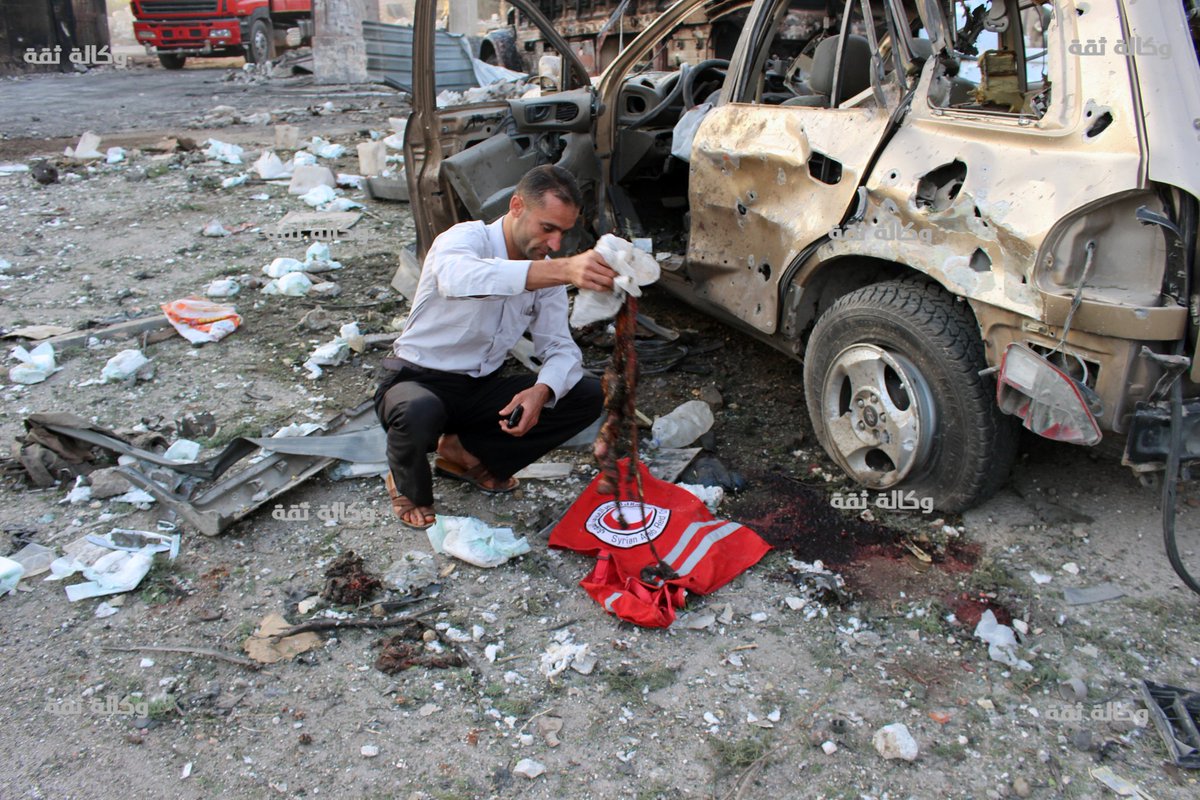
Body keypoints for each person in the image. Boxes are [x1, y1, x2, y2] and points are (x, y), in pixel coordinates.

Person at [374, 165, 617, 529]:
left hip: (478, 388)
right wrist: (563, 269)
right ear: (517, 206)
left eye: (563, 234)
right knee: (418, 411)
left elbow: (560, 347)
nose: (554, 244)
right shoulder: (465, 239)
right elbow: (459, 278)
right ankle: (408, 486)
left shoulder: (548, 271)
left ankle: (464, 454)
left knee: (584, 392)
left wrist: (542, 389)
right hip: (416, 380)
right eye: (547, 228)